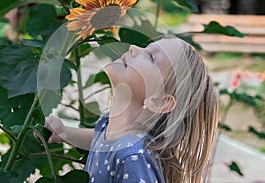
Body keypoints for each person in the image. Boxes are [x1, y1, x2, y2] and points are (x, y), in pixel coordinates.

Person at [45, 38, 219, 183]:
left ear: (159, 101)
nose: (134, 48)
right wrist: (65, 133)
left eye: (151, 58)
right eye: (146, 48)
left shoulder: (134, 158)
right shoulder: (112, 128)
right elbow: (101, 141)